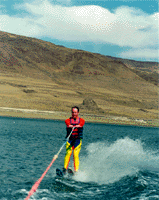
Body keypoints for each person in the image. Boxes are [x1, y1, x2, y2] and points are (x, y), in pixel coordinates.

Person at [63, 106, 85, 173]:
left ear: (78, 113)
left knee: (75, 154)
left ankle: (76, 171)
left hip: (77, 140)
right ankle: (64, 169)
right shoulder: (67, 120)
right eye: (73, 112)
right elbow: (68, 124)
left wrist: (76, 126)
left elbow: (81, 124)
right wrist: (70, 126)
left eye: (75, 112)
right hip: (70, 140)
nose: (74, 114)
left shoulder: (82, 120)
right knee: (68, 153)